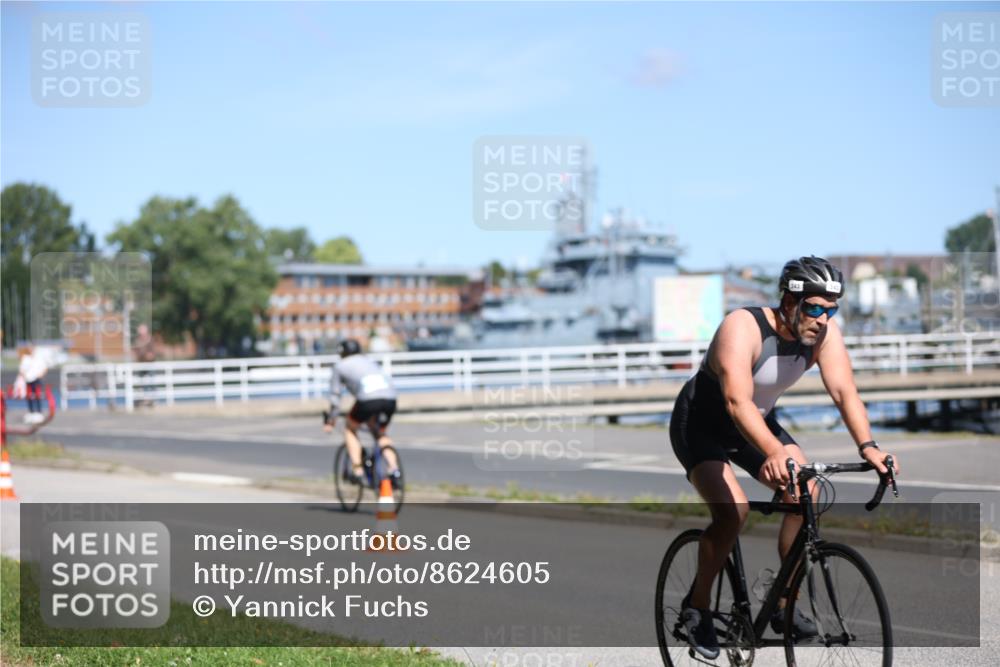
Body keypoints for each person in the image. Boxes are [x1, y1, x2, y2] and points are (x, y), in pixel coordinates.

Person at [669, 256, 900, 659]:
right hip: (702, 425)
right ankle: (697, 607)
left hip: (755, 423)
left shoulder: (823, 335)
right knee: (733, 513)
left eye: (831, 310)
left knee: (806, 490)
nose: (823, 319)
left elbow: (845, 392)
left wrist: (869, 447)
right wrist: (775, 453)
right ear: (789, 303)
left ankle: (780, 602)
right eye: (815, 308)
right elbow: (736, 402)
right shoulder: (742, 327)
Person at [322, 338, 401, 487]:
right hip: (390, 399)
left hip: (367, 401)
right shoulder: (369, 361)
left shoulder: (340, 366)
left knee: (349, 428)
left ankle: (357, 470)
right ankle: (394, 469)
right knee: (380, 433)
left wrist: (331, 420)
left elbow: (335, 396)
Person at [17, 344, 48, 424]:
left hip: (36, 379)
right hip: (28, 380)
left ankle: (39, 412)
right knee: (29, 396)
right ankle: (31, 412)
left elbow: (45, 368)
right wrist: (23, 377)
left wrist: (40, 375)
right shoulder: (25, 358)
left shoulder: (39, 358)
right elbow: (22, 369)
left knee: (37, 395)